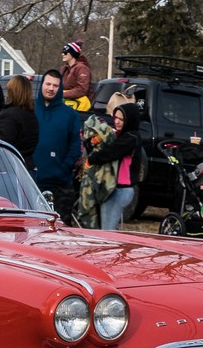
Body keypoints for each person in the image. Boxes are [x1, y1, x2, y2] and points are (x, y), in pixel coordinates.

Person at [33, 69, 81, 224]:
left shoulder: (70, 115)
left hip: (60, 184)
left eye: (55, 85)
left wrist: (64, 168)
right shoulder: (29, 109)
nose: (51, 88)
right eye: (48, 84)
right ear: (41, 85)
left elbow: (75, 147)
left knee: (61, 229)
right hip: (32, 182)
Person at [85, 102, 142, 230]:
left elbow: (109, 153)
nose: (117, 121)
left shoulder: (131, 138)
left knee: (107, 230)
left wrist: (92, 158)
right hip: (112, 187)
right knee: (106, 228)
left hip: (120, 189)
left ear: (130, 120)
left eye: (122, 119)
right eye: (115, 117)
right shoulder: (120, 135)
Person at [60, 40, 92, 112]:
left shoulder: (82, 68)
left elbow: (82, 90)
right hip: (67, 101)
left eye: (65, 52)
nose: (62, 54)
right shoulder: (65, 69)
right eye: (62, 52)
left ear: (73, 54)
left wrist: (62, 94)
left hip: (78, 104)